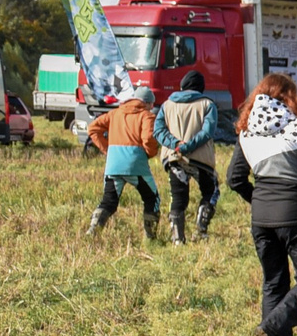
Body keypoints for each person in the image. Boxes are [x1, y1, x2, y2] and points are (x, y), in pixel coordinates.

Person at [227, 73, 297, 336]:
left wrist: (258, 201)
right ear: (288, 97)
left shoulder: (246, 133)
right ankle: (274, 329)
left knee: (274, 282)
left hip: (261, 219)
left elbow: (235, 179)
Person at [84, 88, 164, 239]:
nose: (152, 106)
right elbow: (148, 138)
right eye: (151, 103)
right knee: (152, 198)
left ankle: (93, 230)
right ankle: (151, 236)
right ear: (146, 102)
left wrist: (108, 150)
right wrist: (149, 153)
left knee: (109, 201)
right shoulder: (147, 116)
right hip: (136, 165)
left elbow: (93, 129)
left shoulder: (115, 113)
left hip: (113, 165)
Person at [157, 70, 223, 243]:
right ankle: (200, 230)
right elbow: (207, 132)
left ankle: (177, 239)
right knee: (211, 191)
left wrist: (175, 144)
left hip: (175, 158)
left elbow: (158, 130)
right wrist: (189, 146)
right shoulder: (208, 105)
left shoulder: (167, 104)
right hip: (200, 160)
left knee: (178, 197)